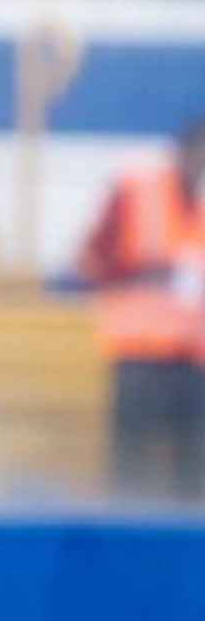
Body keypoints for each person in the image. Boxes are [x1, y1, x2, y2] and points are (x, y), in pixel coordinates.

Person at [75, 118, 205, 502]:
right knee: (129, 464)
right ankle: (125, 536)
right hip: (140, 357)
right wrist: (145, 274)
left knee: (192, 465)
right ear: (181, 151)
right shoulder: (136, 194)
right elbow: (90, 261)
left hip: (194, 361)